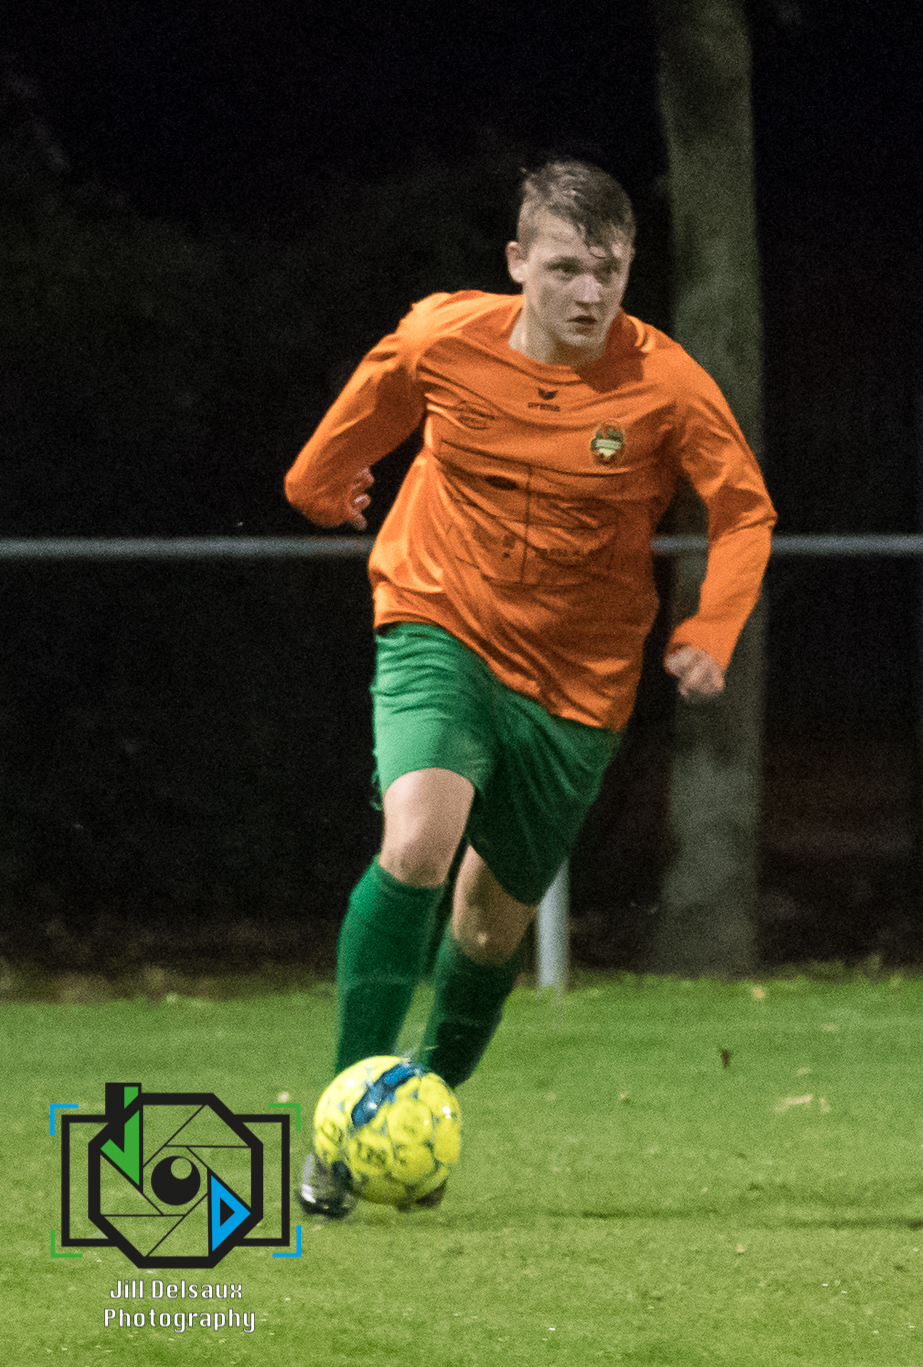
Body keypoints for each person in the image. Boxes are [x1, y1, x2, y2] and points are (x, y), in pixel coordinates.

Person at [284, 159, 774, 1215]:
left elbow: (745, 512)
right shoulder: (442, 337)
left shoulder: (667, 384)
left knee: (489, 924)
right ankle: (344, 1119)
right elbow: (353, 425)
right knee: (418, 842)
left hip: (578, 681)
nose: (588, 293)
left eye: (608, 270)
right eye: (564, 269)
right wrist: (320, 485)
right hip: (440, 619)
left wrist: (712, 625)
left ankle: (419, 1108)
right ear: (517, 262)